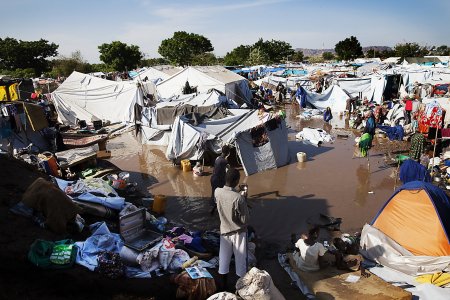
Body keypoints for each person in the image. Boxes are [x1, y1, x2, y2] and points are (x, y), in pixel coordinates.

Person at [215, 168, 250, 289]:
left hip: (224, 231)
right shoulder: (238, 198)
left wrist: (236, 192)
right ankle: (239, 288)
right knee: (241, 263)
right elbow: (245, 221)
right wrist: (244, 199)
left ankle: (223, 287)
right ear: (236, 181)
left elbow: (226, 198)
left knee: (223, 260)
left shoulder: (217, 192)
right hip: (238, 233)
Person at [210, 145, 230, 211]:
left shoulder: (217, 158)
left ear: (222, 151)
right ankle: (221, 208)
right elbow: (229, 171)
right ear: (228, 153)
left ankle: (212, 207)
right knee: (223, 193)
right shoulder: (225, 161)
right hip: (219, 180)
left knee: (214, 193)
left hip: (213, 178)